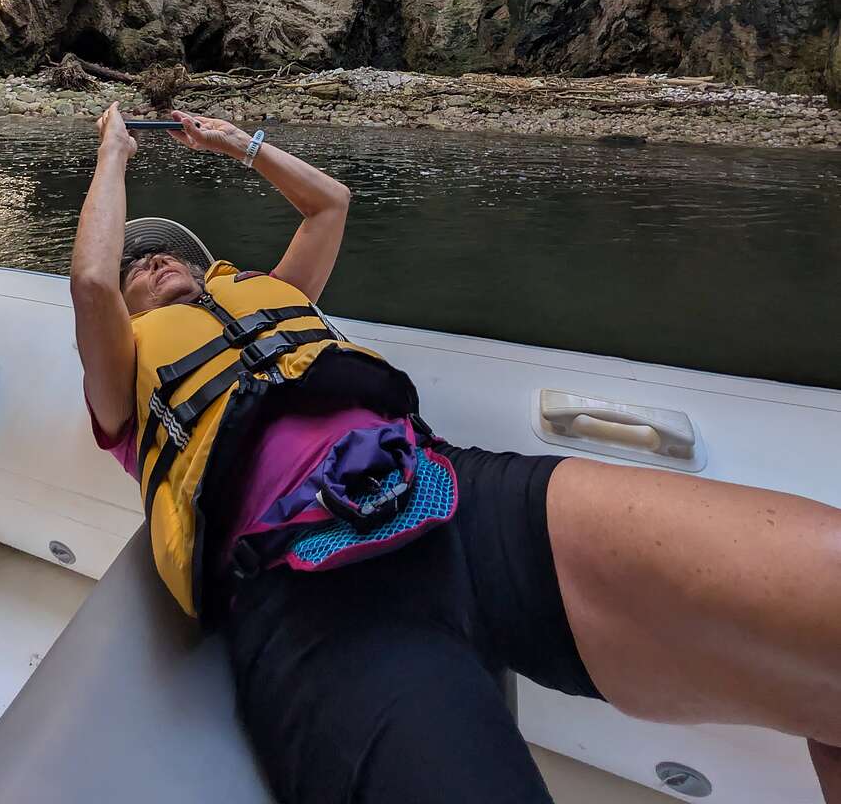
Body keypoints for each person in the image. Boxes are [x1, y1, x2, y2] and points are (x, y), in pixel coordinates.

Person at [71, 103, 841, 804]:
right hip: (308, 590)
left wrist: (243, 145)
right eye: (139, 263)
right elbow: (90, 282)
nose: (152, 262)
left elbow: (329, 203)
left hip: (448, 492)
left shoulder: (276, 293)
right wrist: (113, 154)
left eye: (168, 253)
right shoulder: (125, 380)